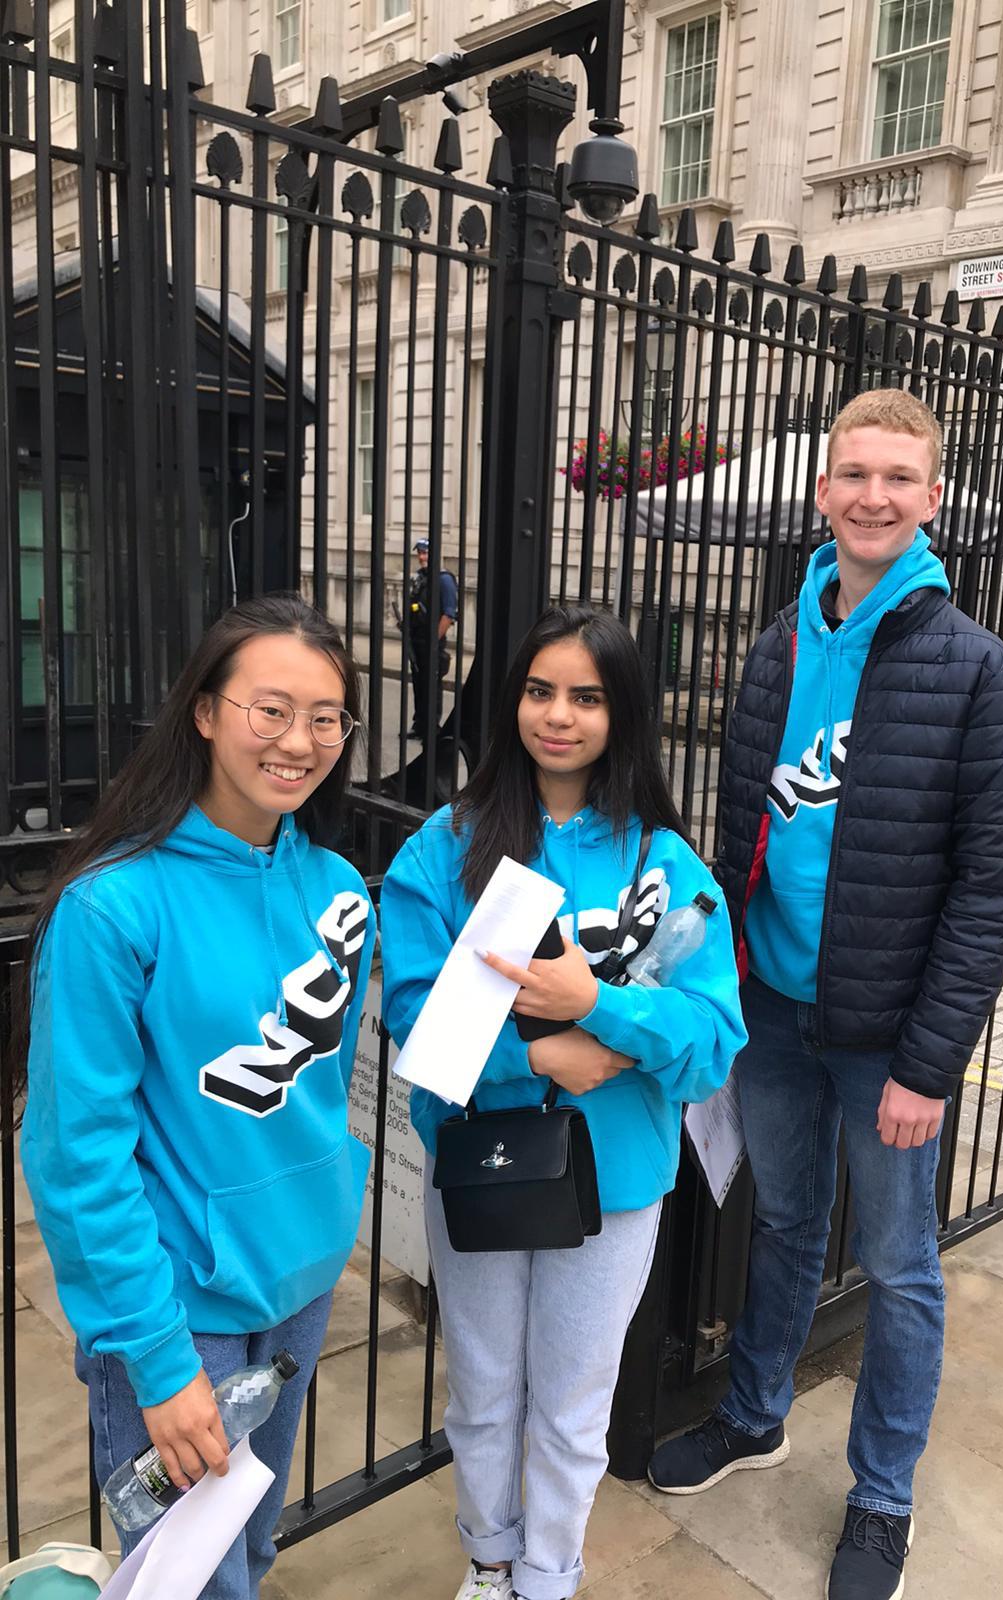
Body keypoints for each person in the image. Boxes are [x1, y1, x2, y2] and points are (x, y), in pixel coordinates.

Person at [646, 390, 1003, 1600]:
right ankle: (756, 1409)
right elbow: (737, 825)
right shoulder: (776, 643)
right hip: (771, 1008)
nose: (873, 495)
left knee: (899, 1263)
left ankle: (882, 1496)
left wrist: (930, 1062)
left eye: (897, 478)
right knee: (780, 1222)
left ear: (931, 500)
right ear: (825, 491)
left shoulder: (980, 669)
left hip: (886, 1037)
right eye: (853, 474)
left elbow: (990, 886)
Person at [381, 603, 746, 1600]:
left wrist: (602, 1011)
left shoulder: (663, 863)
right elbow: (419, 1027)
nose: (560, 715)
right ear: (510, 704)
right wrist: (549, 1057)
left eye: (586, 696)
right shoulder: (441, 853)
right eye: (540, 690)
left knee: (575, 1399)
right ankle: (490, 1561)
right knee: (487, 1389)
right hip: (484, 1166)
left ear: (621, 713)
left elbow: (712, 1040)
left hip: (618, 1180)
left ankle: (549, 1575)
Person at [19, 595, 376, 1600]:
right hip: (182, 1304)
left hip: (299, 1283)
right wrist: (158, 1358)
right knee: (188, 1575)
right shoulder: (113, 904)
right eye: (270, 709)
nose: (299, 740)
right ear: (207, 713)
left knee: (250, 1549)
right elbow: (75, 1156)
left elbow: (320, 1084)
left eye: (325, 716)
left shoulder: (342, 888)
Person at [394, 538, 458, 743]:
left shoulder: (444, 579)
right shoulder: (421, 578)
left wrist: (433, 642)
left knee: (432, 687)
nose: (422, 557)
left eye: (426, 553)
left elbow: (448, 615)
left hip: (432, 643)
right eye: (420, 553)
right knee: (419, 685)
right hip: (417, 641)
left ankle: (432, 729)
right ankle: (420, 725)